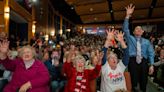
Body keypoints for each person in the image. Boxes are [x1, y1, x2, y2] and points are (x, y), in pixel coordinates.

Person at [123, 4, 154, 92]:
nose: (139, 30)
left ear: (143, 32)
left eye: (140, 29)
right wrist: (127, 16)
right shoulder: (130, 38)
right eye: (137, 29)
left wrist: (151, 65)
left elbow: (151, 53)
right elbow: (125, 29)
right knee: (133, 82)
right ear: (133, 32)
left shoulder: (146, 42)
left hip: (144, 62)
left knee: (144, 81)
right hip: (132, 61)